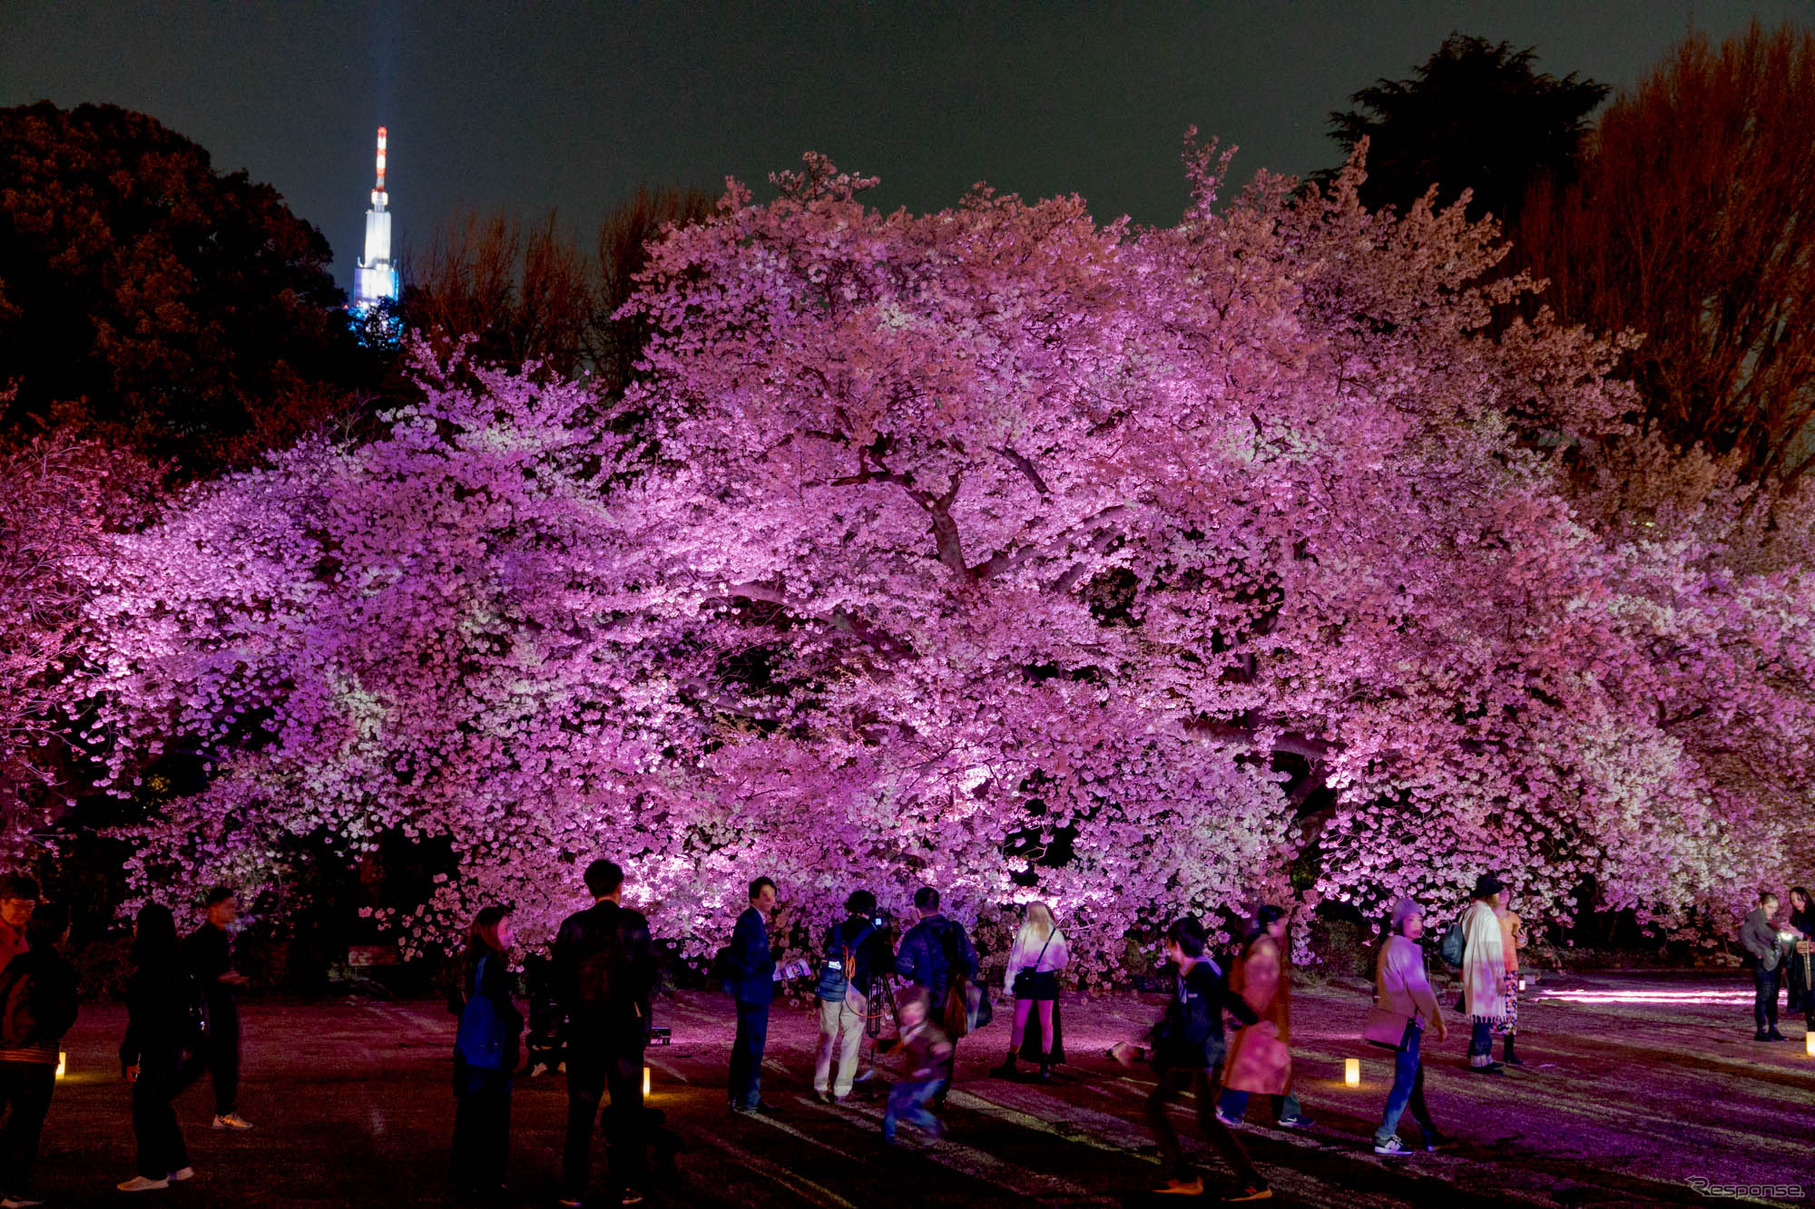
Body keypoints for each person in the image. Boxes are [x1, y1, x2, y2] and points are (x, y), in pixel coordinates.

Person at [1110, 916, 1270, 1202]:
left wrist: (1148, 1054)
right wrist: (1150, 1041)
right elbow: (1176, 1015)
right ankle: (1185, 1175)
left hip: (1203, 1058)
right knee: (1159, 1109)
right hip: (1191, 1056)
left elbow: (1210, 1011)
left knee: (1201, 1119)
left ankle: (1252, 1182)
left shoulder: (1204, 972)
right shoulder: (1187, 972)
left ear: (1176, 942)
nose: (1167, 949)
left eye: (1169, 943)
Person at [551, 858, 657, 1209]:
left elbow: (559, 982)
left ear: (589, 887)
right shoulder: (635, 924)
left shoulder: (572, 926)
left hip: (584, 1029)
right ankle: (628, 1184)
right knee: (628, 1111)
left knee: (580, 1111)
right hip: (624, 1029)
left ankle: (573, 1187)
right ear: (619, 886)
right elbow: (646, 978)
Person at [0, 903, 78, 1207]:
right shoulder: (61, 969)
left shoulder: (16, 965)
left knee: (11, 1121)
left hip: (4, 1053)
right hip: (37, 1056)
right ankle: (16, 1190)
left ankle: (7, 1185)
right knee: (26, 1123)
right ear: (62, 932)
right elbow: (64, 1016)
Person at [117, 903, 197, 1192]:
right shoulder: (176, 964)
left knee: (146, 1109)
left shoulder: (148, 971)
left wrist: (129, 1057)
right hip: (173, 1045)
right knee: (158, 1105)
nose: (134, 929)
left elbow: (140, 1021)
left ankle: (153, 1173)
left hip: (155, 1047)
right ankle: (178, 1164)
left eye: (138, 923)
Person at [1371, 898, 1456, 1157]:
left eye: (1420, 918)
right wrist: (1437, 1020)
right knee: (1406, 1080)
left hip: (1399, 1019)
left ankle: (1429, 1132)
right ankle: (1385, 1136)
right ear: (1399, 922)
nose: (1417, 924)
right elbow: (1419, 987)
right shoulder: (1403, 948)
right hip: (1405, 1022)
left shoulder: (1392, 945)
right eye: (1411, 919)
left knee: (1413, 1079)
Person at [1217, 905, 1313, 1130]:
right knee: (1253, 1067)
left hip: (1258, 1016)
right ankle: (1231, 1110)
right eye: (1282, 923)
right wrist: (1252, 1016)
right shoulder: (1266, 948)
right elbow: (1259, 985)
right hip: (1262, 1017)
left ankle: (1283, 1112)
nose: (1285, 928)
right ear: (1272, 924)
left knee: (1265, 1065)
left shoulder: (1257, 944)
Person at [448, 905, 521, 1198]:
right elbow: (504, 1010)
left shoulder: (466, 961)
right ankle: (489, 1178)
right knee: (493, 1116)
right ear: (492, 932)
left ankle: (465, 1176)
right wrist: (516, 1021)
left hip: (469, 1049)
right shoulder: (491, 965)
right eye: (505, 929)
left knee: (469, 1115)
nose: (511, 934)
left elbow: (454, 1004)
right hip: (491, 1051)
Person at [895, 888, 976, 1106]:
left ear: (916, 909)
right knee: (947, 1044)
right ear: (939, 905)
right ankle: (940, 1093)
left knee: (920, 1044)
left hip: (924, 996)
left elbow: (902, 965)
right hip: (951, 996)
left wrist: (914, 974)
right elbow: (971, 961)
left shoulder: (914, 934)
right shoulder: (956, 931)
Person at [181, 886, 252, 1131]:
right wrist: (221, 980)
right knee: (209, 1062)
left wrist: (231, 981)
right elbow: (193, 976)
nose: (234, 911)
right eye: (229, 906)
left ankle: (225, 1112)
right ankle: (223, 1112)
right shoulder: (201, 940)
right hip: (211, 1011)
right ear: (214, 908)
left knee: (225, 1062)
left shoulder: (222, 938)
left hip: (223, 1009)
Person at [813, 890, 893, 1104]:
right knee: (851, 1040)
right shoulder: (873, 934)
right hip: (856, 990)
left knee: (826, 1037)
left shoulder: (836, 930)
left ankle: (820, 1086)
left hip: (831, 987)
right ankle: (841, 1090)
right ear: (870, 910)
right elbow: (885, 964)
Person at [991, 901, 1068, 1083]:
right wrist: (1048, 964)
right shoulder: (1055, 934)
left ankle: (1011, 1060)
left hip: (1027, 979)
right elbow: (1062, 961)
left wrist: (1009, 984)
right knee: (1046, 1023)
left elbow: (1015, 958)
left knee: (1019, 1022)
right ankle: (1045, 1064)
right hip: (1046, 979)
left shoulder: (1025, 931)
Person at [723, 877, 777, 1114]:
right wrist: (777, 966)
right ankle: (748, 1098)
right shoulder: (752, 921)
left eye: (772, 894)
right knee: (752, 1045)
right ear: (753, 897)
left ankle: (740, 1096)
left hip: (748, 990)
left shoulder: (751, 920)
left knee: (745, 1044)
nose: (770, 899)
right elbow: (755, 958)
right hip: (753, 991)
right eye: (765, 894)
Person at [881, 987, 950, 1144]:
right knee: (894, 1098)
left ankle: (934, 1127)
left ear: (924, 1010)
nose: (912, 1014)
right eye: (908, 1010)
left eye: (917, 1010)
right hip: (912, 1075)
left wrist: (942, 1049)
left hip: (931, 1076)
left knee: (908, 1105)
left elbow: (945, 1047)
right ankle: (888, 1135)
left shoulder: (930, 1031)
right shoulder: (904, 1029)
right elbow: (899, 1044)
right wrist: (880, 1045)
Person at [1459, 874, 1508, 1072]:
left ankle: (1483, 1056)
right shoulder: (1487, 915)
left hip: (1472, 966)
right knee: (1485, 1017)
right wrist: (1499, 976)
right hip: (1485, 970)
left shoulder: (1469, 912)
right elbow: (1492, 947)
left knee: (1481, 1015)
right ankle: (1479, 1058)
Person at [1740, 890, 1787, 1041]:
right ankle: (1761, 1029)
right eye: (1770, 907)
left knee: (1773, 996)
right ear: (1761, 905)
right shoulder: (1754, 920)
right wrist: (1759, 951)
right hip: (1763, 962)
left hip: (1775, 961)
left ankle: (1773, 1027)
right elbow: (1745, 937)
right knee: (1764, 995)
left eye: (1775, 907)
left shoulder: (1772, 921)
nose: (1773, 910)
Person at [1494, 888, 1525, 1066]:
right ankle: (1479, 1047)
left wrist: (1523, 940)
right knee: (1488, 1009)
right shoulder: (1488, 917)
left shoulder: (1514, 917)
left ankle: (1508, 1050)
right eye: (1501, 892)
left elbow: (1518, 942)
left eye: (1507, 893)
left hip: (1510, 967)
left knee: (1510, 1011)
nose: (1504, 895)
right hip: (1491, 966)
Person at [1784, 886, 1813, 1027]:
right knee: (1805, 993)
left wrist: (1801, 935)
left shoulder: (1812, 913)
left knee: (1812, 991)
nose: (1796, 902)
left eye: (1798, 898)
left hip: (1812, 961)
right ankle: (1811, 1028)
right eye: (1792, 900)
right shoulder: (1796, 916)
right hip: (1799, 960)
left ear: (1805, 897)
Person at [0, 880, 37, 971]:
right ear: (2, 903)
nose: (24, 912)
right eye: (18, 906)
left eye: (29, 907)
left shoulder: (20, 931)